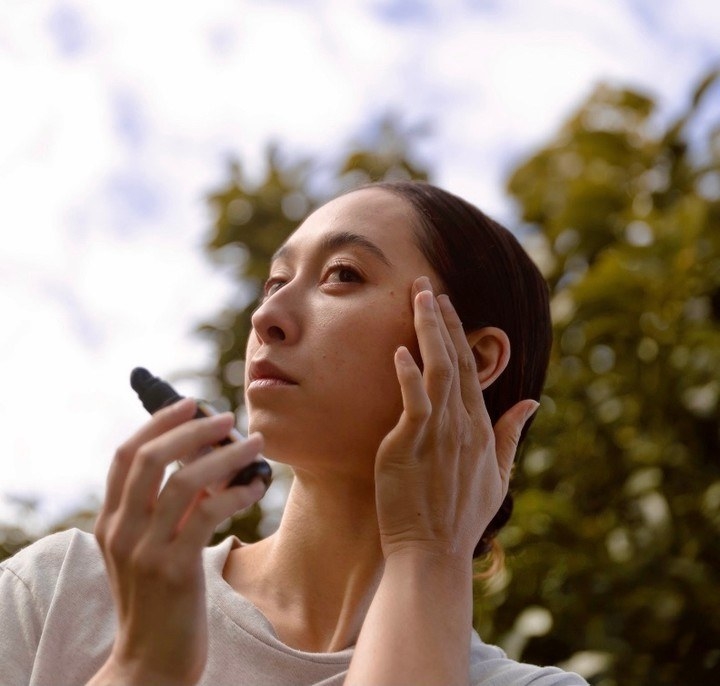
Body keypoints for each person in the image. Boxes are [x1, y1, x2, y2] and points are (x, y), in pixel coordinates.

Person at [0, 181, 588, 685]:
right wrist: (138, 667)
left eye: (342, 275)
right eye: (275, 282)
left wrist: (430, 555)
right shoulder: (60, 592)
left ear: (473, 358)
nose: (265, 318)